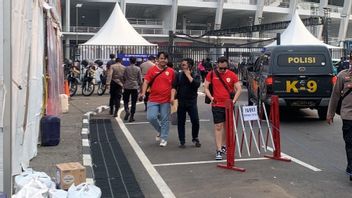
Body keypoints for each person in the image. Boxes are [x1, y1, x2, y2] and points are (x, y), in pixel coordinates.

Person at [204, 56, 242, 160]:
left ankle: (224, 145)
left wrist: (233, 101)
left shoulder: (232, 75)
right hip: (217, 105)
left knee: (227, 127)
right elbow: (206, 87)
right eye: (221, 68)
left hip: (229, 105)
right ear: (217, 65)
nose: (223, 70)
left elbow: (239, 88)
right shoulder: (211, 74)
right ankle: (218, 150)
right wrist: (211, 97)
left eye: (225, 68)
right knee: (218, 127)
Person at [139, 52, 175, 147]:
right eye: (161, 58)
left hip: (166, 100)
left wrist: (172, 97)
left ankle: (164, 138)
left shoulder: (171, 71)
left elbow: (174, 86)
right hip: (153, 98)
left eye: (165, 58)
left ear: (167, 60)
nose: (163, 60)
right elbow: (146, 82)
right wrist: (143, 93)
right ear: (157, 59)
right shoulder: (152, 70)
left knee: (165, 119)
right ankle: (160, 130)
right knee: (151, 117)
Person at [327, 59, 352, 181]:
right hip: (348, 116)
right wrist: (330, 113)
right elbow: (335, 95)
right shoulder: (343, 75)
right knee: (350, 143)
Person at [171, 58, 201, 148]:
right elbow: (174, 87)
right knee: (181, 122)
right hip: (181, 101)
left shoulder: (195, 74)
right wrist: (172, 97)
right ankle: (182, 140)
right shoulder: (179, 75)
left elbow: (197, 85)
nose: (182, 66)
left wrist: (188, 76)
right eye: (182, 64)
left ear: (190, 66)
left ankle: (195, 137)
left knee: (195, 121)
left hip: (192, 102)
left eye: (184, 64)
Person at [123, 56, 142, 122]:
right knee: (134, 102)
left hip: (127, 86)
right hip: (135, 86)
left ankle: (127, 110)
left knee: (126, 100)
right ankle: (132, 116)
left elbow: (124, 77)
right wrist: (140, 87)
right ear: (135, 61)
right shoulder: (138, 68)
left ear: (130, 61)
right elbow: (140, 79)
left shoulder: (126, 68)